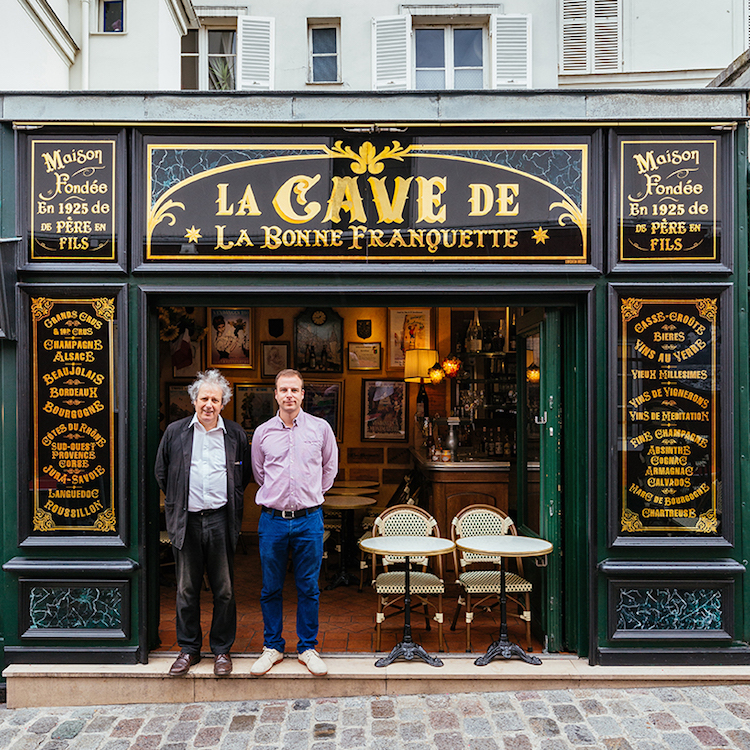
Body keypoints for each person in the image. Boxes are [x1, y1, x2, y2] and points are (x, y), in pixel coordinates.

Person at [155, 369, 252, 677]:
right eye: (204, 398)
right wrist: (177, 503)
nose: (209, 404)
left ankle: (221, 650)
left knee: (224, 589)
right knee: (186, 589)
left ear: (223, 403)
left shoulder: (234, 434)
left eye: (215, 399)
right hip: (188, 520)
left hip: (221, 520)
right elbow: (162, 472)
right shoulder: (175, 432)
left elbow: (243, 475)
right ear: (194, 400)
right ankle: (189, 649)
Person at [250, 369, 338, 677]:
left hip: (309, 520)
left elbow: (329, 469)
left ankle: (307, 648)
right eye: (283, 390)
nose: (289, 395)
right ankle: (272, 646)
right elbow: (259, 473)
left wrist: (309, 494)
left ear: (303, 395)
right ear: (275, 394)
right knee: (270, 587)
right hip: (272, 520)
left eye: (295, 390)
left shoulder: (320, 429)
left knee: (309, 587)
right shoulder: (262, 433)